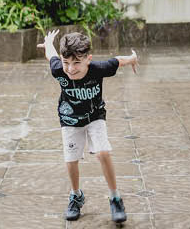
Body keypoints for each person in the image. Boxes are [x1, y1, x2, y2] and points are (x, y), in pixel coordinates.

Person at [40, 30, 139, 222]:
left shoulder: (99, 68)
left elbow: (118, 61)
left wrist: (132, 58)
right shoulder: (58, 69)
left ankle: (115, 197)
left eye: (76, 63)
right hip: (69, 120)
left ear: (88, 59)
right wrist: (49, 42)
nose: (70, 69)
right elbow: (51, 55)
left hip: (95, 116)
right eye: (66, 62)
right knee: (71, 160)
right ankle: (76, 195)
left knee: (103, 152)